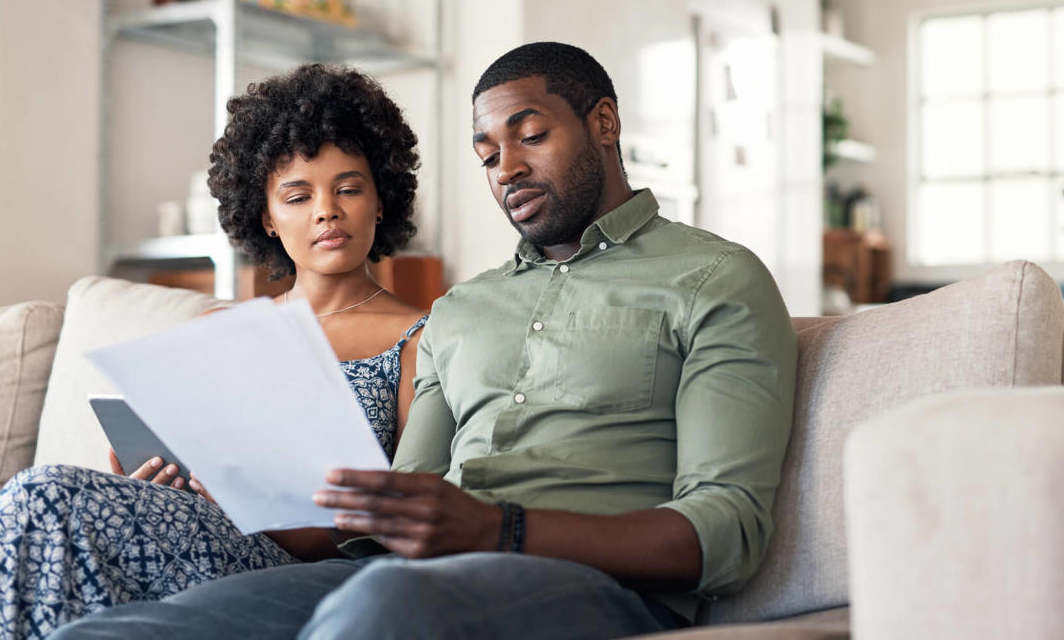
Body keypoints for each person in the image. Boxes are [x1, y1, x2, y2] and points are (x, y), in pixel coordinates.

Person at [43, 41, 798, 640]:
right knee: (117, 628)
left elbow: (727, 531)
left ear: (604, 123)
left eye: (531, 135)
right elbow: (385, 526)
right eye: (486, 153)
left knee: (383, 609)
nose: (507, 167)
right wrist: (237, 486)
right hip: (409, 574)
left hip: (597, 589)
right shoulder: (462, 310)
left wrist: (500, 527)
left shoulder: (714, 280)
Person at [0, 64, 429, 639]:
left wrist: (259, 513)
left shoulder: (418, 338)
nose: (326, 210)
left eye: (349, 188)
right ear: (268, 220)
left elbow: (401, 525)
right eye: (298, 196)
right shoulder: (224, 330)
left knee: (49, 494)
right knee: (56, 539)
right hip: (195, 530)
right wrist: (151, 481)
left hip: (302, 567)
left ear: (381, 200)